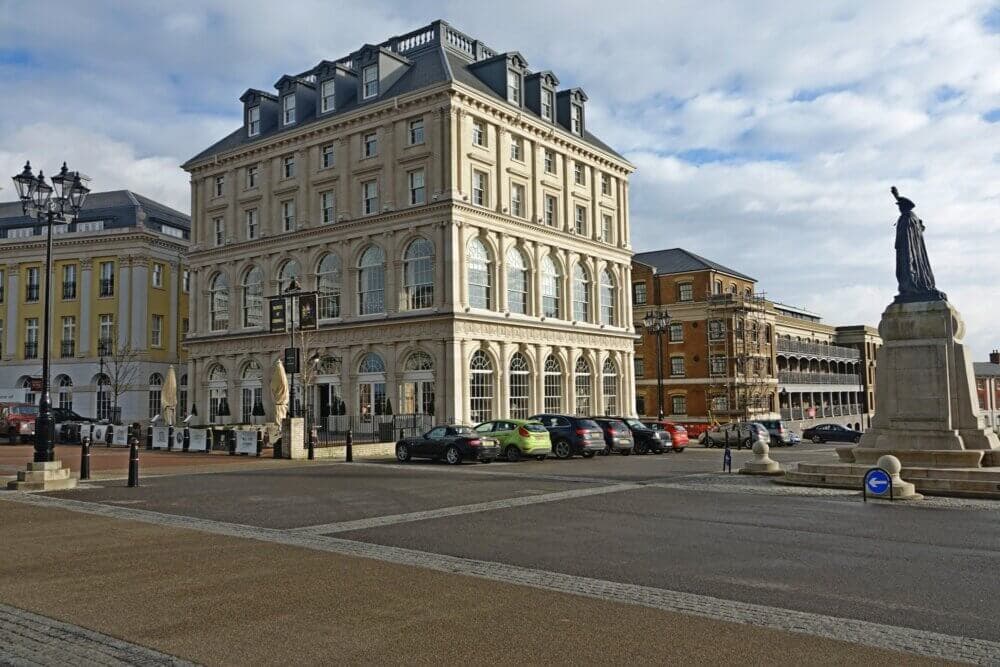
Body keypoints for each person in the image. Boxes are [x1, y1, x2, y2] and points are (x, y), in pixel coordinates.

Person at [891, 186, 946, 303]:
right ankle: (909, 288)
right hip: (905, 249)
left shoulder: (908, 217)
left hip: (908, 250)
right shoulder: (911, 217)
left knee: (908, 268)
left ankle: (911, 287)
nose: (899, 208)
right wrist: (896, 196)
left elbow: (909, 235)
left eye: (900, 206)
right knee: (905, 269)